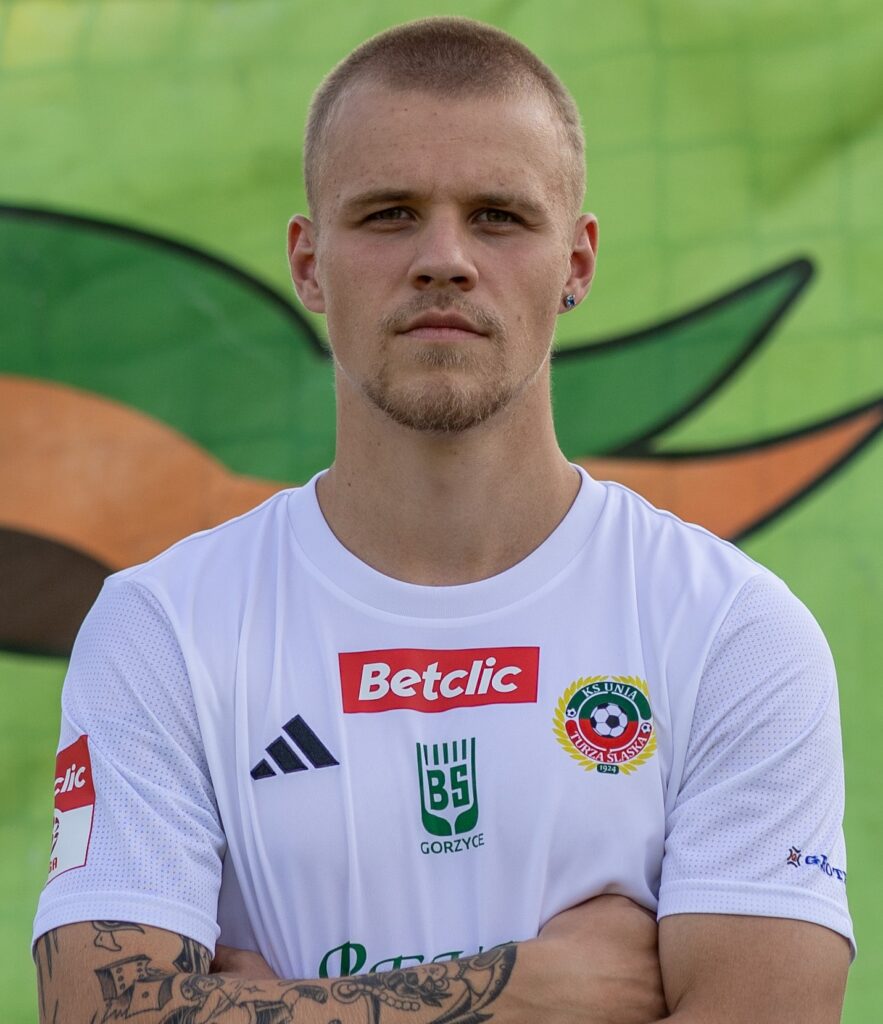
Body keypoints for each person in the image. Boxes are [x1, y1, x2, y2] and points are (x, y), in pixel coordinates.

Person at [33, 17, 852, 1024]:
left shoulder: (731, 629)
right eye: (388, 215)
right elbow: (96, 1011)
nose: (444, 258)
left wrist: (275, 1005)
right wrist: (517, 993)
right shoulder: (163, 626)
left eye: (499, 217)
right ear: (307, 263)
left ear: (576, 263)